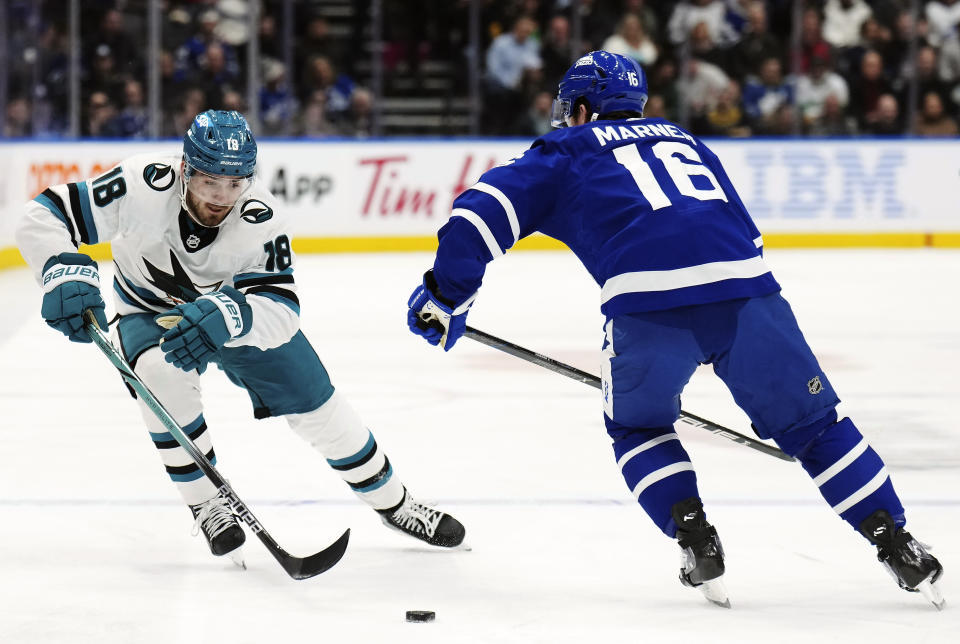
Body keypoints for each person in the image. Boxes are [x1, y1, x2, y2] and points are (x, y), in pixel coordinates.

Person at [405, 51, 943, 608]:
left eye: (570, 110)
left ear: (585, 110)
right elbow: (746, 230)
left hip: (647, 307)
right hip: (747, 294)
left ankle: (694, 535)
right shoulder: (685, 140)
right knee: (816, 428)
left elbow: (475, 216)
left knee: (638, 429)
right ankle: (898, 544)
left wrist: (446, 296)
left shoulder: (566, 151)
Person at [17, 110, 465, 566]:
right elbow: (44, 214)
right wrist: (62, 270)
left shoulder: (260, 217)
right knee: (158, 376)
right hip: (149, 313)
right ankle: (207, 502)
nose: (222, 196)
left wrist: (229, 316)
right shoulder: (141, 184)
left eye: (236, 183)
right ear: (186, 169)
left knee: (321, 407)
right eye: (211, 181)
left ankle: (395, 503)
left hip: (233, 319)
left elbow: (282, 308)